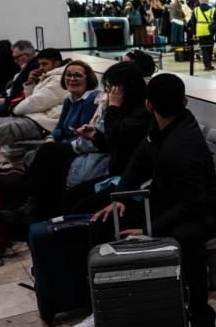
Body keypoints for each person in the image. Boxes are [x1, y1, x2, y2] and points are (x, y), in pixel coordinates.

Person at [72, 74, 216, 327]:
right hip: (167, 205)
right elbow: (139, 161)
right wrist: (119, 198)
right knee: (101, 222)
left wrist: (148, 229)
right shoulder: (158, 127)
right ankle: (102, 307)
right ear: (185, 101)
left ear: (148, 104)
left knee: (186, 243)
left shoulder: (185, 144)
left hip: (202, 214)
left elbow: (193, 205)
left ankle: (204, 324)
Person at [2, 61, 100, 220]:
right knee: (44, 152)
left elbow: (84, 133)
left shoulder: (92, 100)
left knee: (47, 153)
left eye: (77, 75)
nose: (72, 79)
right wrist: (51, 137)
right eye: (68, 75)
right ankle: (29, 203)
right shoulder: (70, 100)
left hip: (79, 145)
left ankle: (23, 198)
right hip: (64, 145)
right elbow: (60, 126)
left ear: (87, 79)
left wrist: (56, 144)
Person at [62, 62, 152, 214]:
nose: (109, 92)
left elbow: (118, 136)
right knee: (70, 195)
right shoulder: (126, 108)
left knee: (79, 204)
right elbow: (114, 143)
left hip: (130, 180)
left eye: (112, 87)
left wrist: (113, 107)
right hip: (119, 173)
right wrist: (95, 136)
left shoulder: (142, 112)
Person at [0, 48, 68, 146]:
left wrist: (15, 110)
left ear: (57, 64)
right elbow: (31, 100)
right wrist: (30, 83)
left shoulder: (59, 80)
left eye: (44, 64)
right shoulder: (47, 77)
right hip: (34, 117)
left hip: (45, 124)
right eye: (40, 64)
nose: (40, 67)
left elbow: (35, 102)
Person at [0, 40, 39, 118]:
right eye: (14, 58)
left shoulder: (33, 67)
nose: (15, 61)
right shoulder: (26, 66)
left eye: (17, 58)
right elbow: (14, 88)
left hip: (13, 105)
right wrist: (2, 95)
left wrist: (6, 100)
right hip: (10, 100)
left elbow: (22, 92)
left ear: (27, 55)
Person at [190, 0, 216, 71]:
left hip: (200, 32)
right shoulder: (212, 9)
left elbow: (193, 22)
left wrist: (194, 33)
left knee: (204, 49)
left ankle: (207, 65)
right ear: (208, 1)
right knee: (210, 47)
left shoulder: (195, 10)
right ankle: (208, 64)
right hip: (210, 31)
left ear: (201, 1)